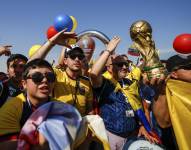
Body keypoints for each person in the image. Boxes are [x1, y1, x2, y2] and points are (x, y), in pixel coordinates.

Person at [90, 36, 158, 150]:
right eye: (120, 64)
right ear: (109, 67)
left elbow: (139, 107)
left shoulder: (130, 83)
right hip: (111, 137)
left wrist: (141, 125)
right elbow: (93, 73)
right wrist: (108, 51)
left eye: (126, 64)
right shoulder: (105, 83)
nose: (125, 67)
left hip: (133, 135)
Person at [29, 30, 93, 116]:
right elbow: (31, 65)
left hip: (79, 126)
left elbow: (89, 109)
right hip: (58, 125)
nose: (77, 59)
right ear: (65, 61)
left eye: (80, 57)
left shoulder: (86, 82)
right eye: (73, 56)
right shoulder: (56, 74)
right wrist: (52, 42)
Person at [0, 59, 57, 149]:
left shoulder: (61, 107)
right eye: (37, 77)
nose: (45, 80)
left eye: (50, 76)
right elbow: (7, 147)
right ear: (24, 84)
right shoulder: (11, 109)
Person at [148, 54, 191, 149]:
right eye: (189, 67)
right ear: (174, 74)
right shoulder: (166, 92)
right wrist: (161, 92)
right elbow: (164, 122)